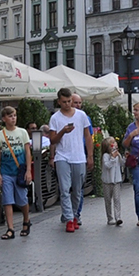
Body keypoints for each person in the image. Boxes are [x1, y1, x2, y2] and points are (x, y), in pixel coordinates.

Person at [47, 88, 92, 231]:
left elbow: (88, 136)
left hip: (78, 157)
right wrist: (62, 131)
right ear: (59, 101)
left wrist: (90, 156)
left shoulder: (81, 115)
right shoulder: (55, 118)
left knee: (77, 190)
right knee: (65, 189)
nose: (67, 104)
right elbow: (53, 139)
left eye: (69, 101)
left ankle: (74, 215)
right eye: (64, 102)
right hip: (62, 156)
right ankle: (69, 218)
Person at [0, 106, 33, 239]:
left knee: (22, 199)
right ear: (4, 119)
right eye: (10, 116)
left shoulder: (22, 132)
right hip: (6, 172)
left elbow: (28, 152)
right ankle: (10, 228)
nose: (13, 118)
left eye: (14, 116)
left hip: (20, 171)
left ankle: (26, 220)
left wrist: (28, 170)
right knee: (7, 200)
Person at [100, 135, 125, 226]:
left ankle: (118, 217)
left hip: (116, 180)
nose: (115, 143)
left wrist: (123, 157)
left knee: (117, 199)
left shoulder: (117, 154)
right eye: (113, 142)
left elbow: (122, 164)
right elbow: (107, 166)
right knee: (108, 200)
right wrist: (113, 157)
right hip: (107, 181)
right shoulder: (105, 156)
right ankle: (110, 218)